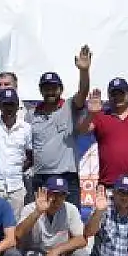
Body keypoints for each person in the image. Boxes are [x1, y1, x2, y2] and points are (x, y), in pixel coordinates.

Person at [77, 79, 128, 211]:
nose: (117, 97)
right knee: (104, 224)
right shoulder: (100, 117)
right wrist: (91, 113)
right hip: (109, 188)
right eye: (113, 94)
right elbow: (82, 131)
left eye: (121, 93)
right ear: (109, 97)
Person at [30, 46, 92, 194]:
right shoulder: (31, 114)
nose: (50, 92)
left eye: (54, 88)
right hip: (40, 177)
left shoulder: (69, 106)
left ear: (61, 89)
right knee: (40, 210)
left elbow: (83, 92)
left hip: (67, 176)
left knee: (70, 210)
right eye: (46, 88)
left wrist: (84, 71)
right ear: (40, 91)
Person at [0, 87, 32, 216]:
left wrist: (16, 170)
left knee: (15, 224)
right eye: (5, 104)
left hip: (16, 187)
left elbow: (30, 157)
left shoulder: (26, 128)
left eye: (11, 104)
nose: (8, 108)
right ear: (0, 106)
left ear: (17, 106)